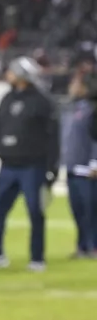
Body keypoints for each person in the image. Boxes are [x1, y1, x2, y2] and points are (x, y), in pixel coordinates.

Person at [0, 57, 60, 271]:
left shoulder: (43, 101)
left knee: (35, 212)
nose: (9, 75)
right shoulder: (7, 98)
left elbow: (53, 136)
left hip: (32, 166)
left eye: (13, 71)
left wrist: (52, 167)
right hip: (8, 165)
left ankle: (37, 258)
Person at [62, 74, 97, 259]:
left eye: (75, 83)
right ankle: (82, 246)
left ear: (84, 87)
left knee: (90, 210)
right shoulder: (70, 109)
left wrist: (95, 162)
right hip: (72, 166)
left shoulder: (91, 110)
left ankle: (93, 246)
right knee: (77, 210)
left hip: (87, 169)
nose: (71, 87)